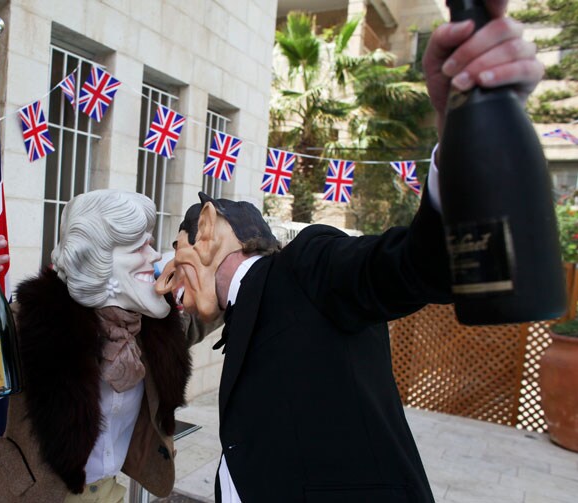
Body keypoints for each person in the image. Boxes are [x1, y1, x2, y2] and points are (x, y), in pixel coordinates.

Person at [155, 4, 545, 502]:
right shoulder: (241, 316)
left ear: (206, 232)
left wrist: (468, 136)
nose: (172, 283)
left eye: (176, 254)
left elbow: (412, 267)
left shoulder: (307, 265)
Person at [0, 190, 191, 503]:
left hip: (111, 492)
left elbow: (214, 307)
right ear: (94, 259)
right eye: (138, 247)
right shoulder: (37, 323)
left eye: (150, 243)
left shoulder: (152, 326)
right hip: (39, 495)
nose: (154, 256)